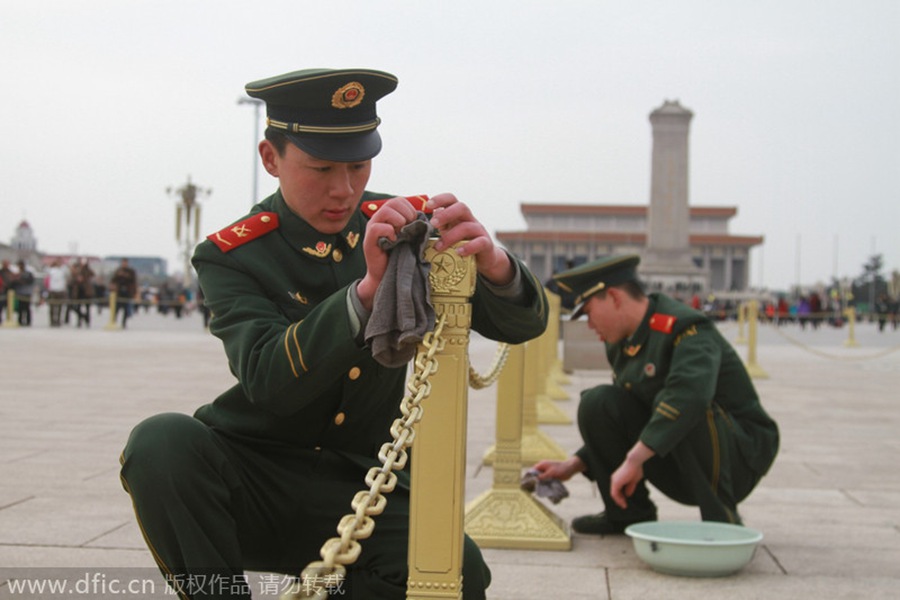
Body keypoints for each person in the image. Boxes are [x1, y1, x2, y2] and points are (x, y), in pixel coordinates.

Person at [119, 68, 548, 600]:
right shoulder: (234, 254)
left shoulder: (402, 227)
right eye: (320, 168)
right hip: (255, 477)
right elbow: (268, 376)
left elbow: (522, 324)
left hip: (364, 482)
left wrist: (493, 263)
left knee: (458, 572)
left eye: (358, 166)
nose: (343, 189)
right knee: (161, 443)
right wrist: (366, 292)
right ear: (271, 158)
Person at [532, 254, 778, 534]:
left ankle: (722, 519)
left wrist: (634, 460)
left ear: (614, 297)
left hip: (738, 459)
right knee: (598, 403)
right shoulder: (623, 342)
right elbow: (629, 413)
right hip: (679, 456)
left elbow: (690, 396)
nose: (588, 324)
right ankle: (627, 515)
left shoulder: (687, 327)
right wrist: (572, 465)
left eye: (588, 312)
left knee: (685, 403)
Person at [109, 258, 138, 328]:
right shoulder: (118, 271)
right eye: (123, 262)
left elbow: (133, 281)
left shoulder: (131, 271)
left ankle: (124, 323)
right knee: (116, 308)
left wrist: (134, 292)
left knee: (126, 309)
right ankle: (114, 321)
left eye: (125, 262)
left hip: (127, 292)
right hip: (119, 292)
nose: (124, 264)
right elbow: (113, 280)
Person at [46, 258, 69, 327]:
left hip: (60, 291)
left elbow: (67, 273)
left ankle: (58, 320)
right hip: (52, 290)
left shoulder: (63, 270)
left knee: (60, 307)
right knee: (52, 307)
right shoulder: (51, 270)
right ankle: (52, 320)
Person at [12, 260, 35, 326]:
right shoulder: (17, 274)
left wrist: (20, 280)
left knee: (27, 308)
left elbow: (30, 281)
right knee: (20, 308)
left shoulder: (28, 273)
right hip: (19, 293)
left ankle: (28, 321)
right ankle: (20, 321)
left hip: (27, 292)